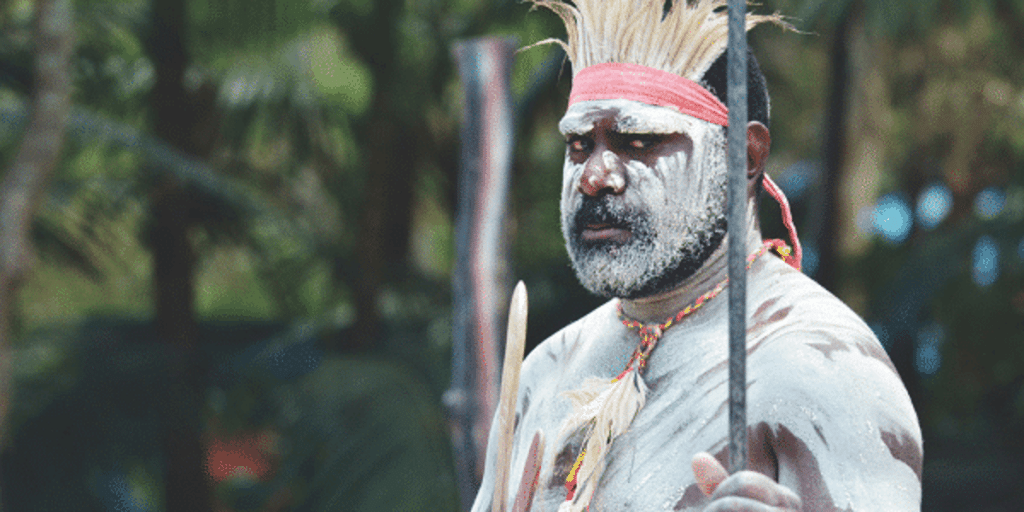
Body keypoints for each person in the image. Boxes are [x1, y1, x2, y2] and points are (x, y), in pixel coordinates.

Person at [471, 1, 923, 510]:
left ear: (744, 158)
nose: (594, 177)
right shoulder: (545, 372)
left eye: (639, 141)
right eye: (578, 146)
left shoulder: (822, 370)